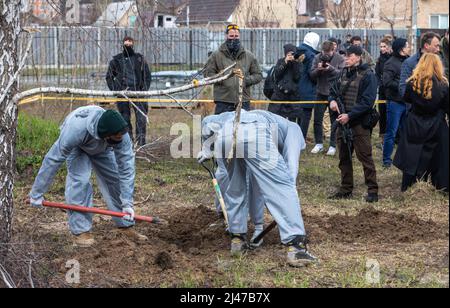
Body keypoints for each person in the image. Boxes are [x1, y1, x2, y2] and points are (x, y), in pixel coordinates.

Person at [197, 110, 316, 267]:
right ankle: (296, 247)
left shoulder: (238, 113)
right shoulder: (294, 129)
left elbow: (207, 122)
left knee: (236, 187)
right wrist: (290, 192)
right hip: (255, 134)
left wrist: (206, 147)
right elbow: (290, 171)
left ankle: (238, 240)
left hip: (226, 134)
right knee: (282, 187)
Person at [29, 106, 148, 247]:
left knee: (114, 179)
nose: (120, 139)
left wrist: (127, 202)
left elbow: (126, 168)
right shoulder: (74, 131)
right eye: (117, 138)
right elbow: (53, 159)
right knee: (79, 181)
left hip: (103, 146)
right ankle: (81, 231)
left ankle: (125, 224)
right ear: (107, 134)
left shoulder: (120, 133)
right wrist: (37, 193)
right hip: (78, 145)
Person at [328, 45, 379, 203]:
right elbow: (332, 91)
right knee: (344, 157)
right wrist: (332, 101)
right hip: (343, 122)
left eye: (349, 56)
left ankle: (372, 191)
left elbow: (367, 102)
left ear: (358, 57)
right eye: (345, 56)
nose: (346, 58)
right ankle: (345, 189)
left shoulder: (368, 75)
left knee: (365, 156)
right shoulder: (343, 73)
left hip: (359, 123)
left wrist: (349, 116)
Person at [394, 53, 449, 193]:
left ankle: (410, 185)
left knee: (413, 154)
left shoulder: (412, 83)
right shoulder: (443, 85)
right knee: (438, 156)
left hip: (415, 123)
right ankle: (438, 186)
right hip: (436, 124)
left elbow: (407, 99)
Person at [204, 24, 263, 115]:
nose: (234, 39)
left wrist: (246, 80)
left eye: (236, 36)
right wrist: (222, 79)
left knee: (243, 127)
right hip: (223, 101)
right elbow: (207, 74)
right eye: (231, 36)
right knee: (221, 128)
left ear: (239, 37)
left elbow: (258, 75)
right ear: (226, 36)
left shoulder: (249, 55)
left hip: (243, 100)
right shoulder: (216, 55)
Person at [106, 36, 152, 147]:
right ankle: (129, 143)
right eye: (126, 44)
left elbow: (147, 76)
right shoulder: (116, 60)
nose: (128, 46)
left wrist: (144, 90)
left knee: (141, 118)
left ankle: (141, 144)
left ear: (133, 45)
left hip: (138, 92)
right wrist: (116, 90)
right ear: (123, 45)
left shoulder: (139, 59)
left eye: (130, 44)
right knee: (124, 119)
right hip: (123, 93)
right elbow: (109, 77)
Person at [310, 40, 345, 156]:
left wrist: (330, 69)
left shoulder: (339, 58)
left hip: (333, 93)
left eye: (328, 53)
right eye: (323, 52)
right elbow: (311, 74)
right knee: (317, 120)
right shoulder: (317, 57)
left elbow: (342, 74)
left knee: (334, 121)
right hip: (320, 92)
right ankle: (319, 143)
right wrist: (318, 70)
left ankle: (332, 145)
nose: (325, 55)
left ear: (333, 50)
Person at [382, 38, 411, 168]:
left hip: (407, 102)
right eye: (407, 45)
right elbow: (386, 82)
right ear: (401, 48)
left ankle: (404, 158)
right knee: (391, 132)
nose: (409, 47)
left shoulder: (408, 61)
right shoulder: (390, 63)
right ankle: (386, 160)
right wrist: (402, 85)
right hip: (395, 103)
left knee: (406, 132)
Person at [295, 32, 320, 141]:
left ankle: (294, 139)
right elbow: (312, 75)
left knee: (296, 117)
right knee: (305, 117)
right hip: (308, 90)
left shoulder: (297, 52)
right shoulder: (311, 56)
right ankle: (301, 139)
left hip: (296, 89)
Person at [399, 32, 441, 98]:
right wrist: (419, 103)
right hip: (417, 106)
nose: (438, 49)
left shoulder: (439, 61)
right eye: (436, 46)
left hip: (437, 106)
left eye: (439, 46)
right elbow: (403, 89)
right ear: (426, 45)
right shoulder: (409, 63)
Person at [268, 44, 303, 120]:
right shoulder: (281, 61)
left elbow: (297, 77)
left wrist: (294, 62)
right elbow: (277, 74)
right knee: (277, 120)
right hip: (280, 96)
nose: (290, 55)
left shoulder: (298, 63)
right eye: (289, 53)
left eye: (292, 53)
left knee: (292, 122)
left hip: (293, 97)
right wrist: (285, 62)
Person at [375, 38, 393, 141]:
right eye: (381, 46)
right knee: (382, 112)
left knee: (391, 112)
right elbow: (377, 74)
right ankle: (382, 135)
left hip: (391, 90)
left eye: (384, 46)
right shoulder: (379, 59)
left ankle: (393, 135)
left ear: (389, 47)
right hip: (382, 90)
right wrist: (380, 83)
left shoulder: (393, 58)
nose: (382, 49)